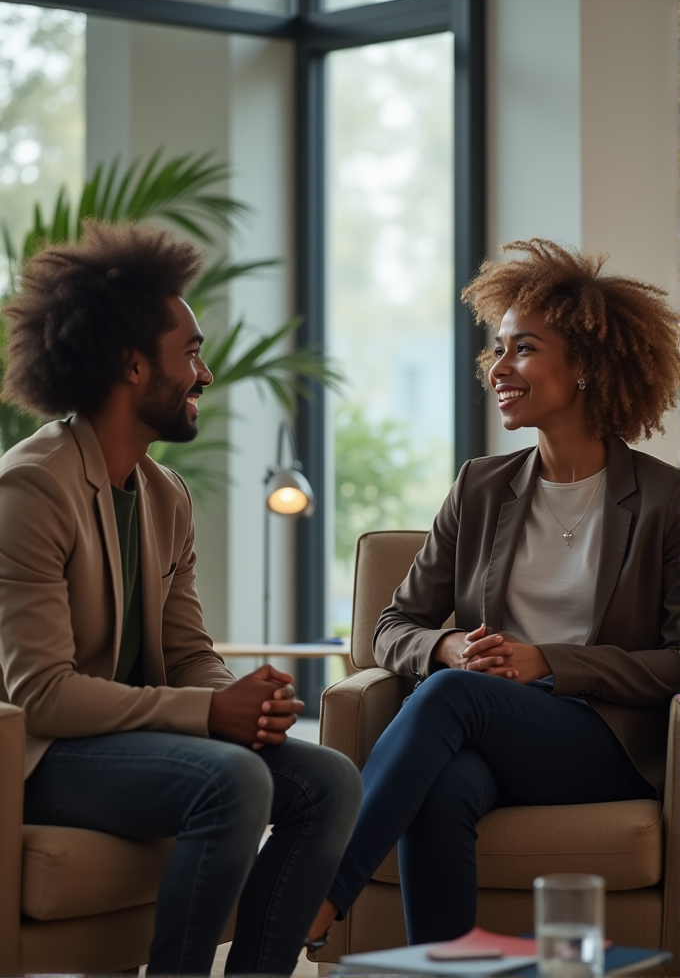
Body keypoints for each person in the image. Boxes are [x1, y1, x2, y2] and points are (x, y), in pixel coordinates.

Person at [0, 219, 362, 976]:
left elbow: (190, 652)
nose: (204, 375)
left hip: (132, 742)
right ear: (133, 366)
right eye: (191, 353)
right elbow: (40, 695)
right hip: (41, 757)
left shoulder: (166, 495)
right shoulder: (32, 486)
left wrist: (241, 702)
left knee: (329, 779)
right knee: (230, 780)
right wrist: (207, 716)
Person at [308, 237, 680, 947]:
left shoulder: (665, 500)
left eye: (523, 350)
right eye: (498, 350)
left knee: (448, 695)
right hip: (490, 729)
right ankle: (446, 966)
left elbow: (676, 659)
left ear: (586, 368)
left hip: (604, 743)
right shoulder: (482, 486)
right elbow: (393, 625)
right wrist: (445, 643)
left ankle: (317, 894)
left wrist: (551, 663)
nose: (498, 369)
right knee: (444, 785)